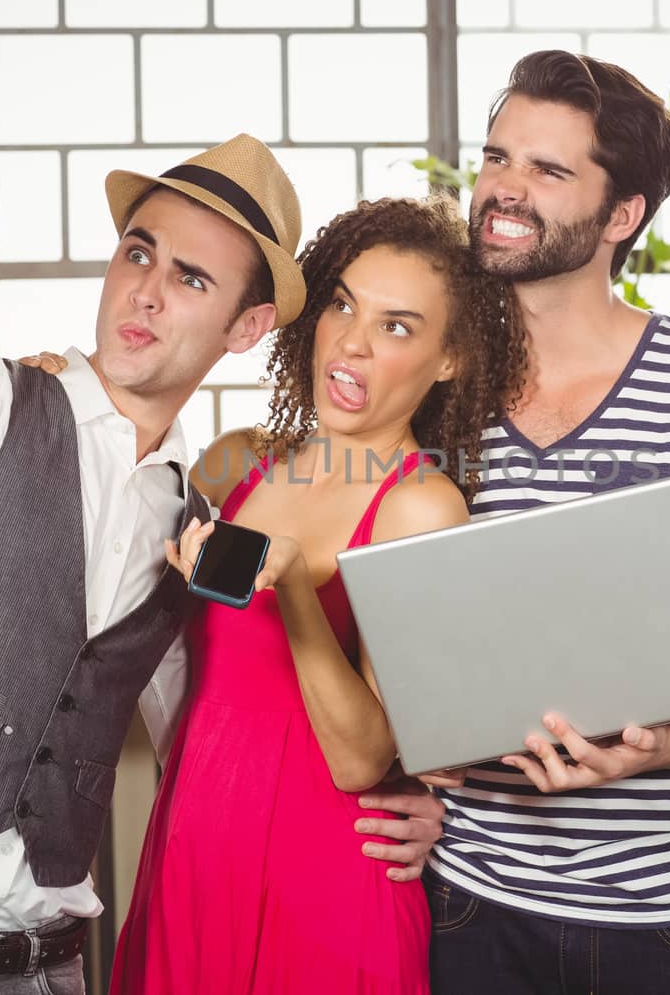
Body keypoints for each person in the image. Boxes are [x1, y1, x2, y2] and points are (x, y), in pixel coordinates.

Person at [0, 29, 443, 994]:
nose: (145, 289)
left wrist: (426, 807)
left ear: (247, 327)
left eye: (191, 278)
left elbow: (217, 727)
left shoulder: (199, 517)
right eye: (140, 251)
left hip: (47, 968)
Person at [422, 50, 670, 993]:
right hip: (472, 903)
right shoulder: (436, 396)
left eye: (548, 171)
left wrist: (661, 748)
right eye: (496, 158)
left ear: (623, 215)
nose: (504, 189)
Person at [105, 196, 527, 994]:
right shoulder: (236, 465)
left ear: (451, 360)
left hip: (326, 885)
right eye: (342, 304)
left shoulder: (421, 505)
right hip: (193, 853)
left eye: (397, 327)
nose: (353, 343)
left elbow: (363, 756)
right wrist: (64, 380)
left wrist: (296, 587)